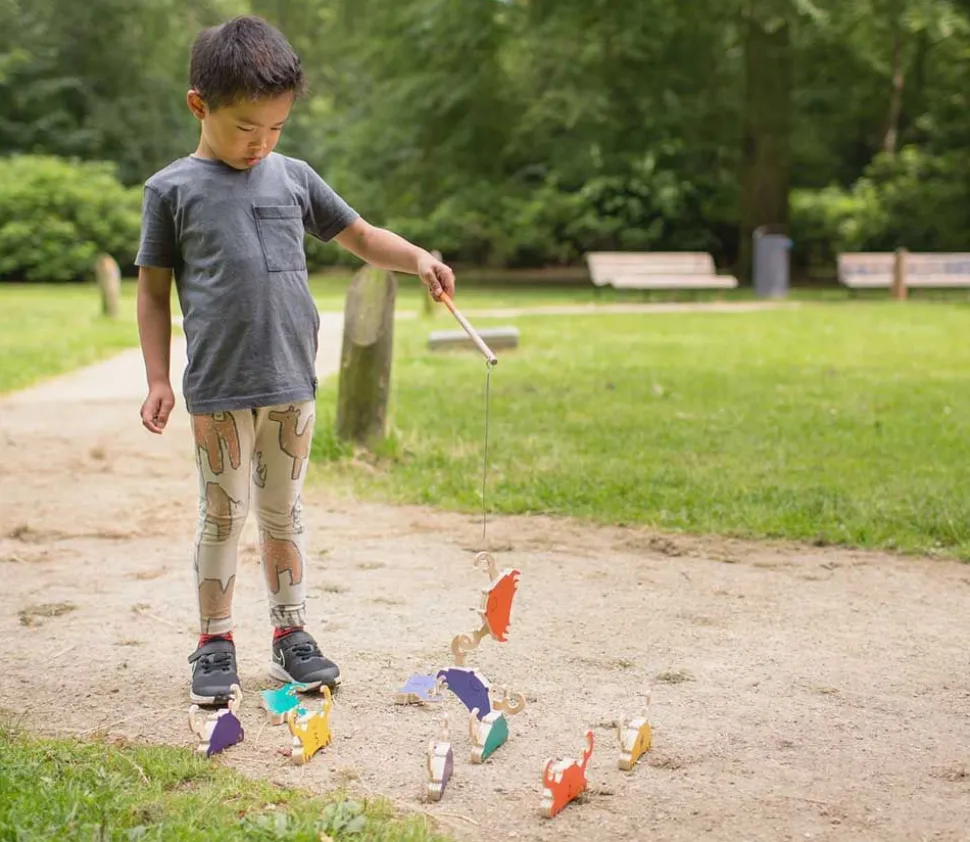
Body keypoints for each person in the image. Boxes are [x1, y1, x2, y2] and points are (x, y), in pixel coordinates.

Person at [135, 14, 456, 705]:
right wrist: (158, 377)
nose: (261, 143)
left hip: (291, 385)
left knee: (284, 514)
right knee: (224, 512)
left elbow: (365, 237)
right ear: (200, 105)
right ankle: (214, 641)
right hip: (219, 389)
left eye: (276, 129)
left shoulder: (295, 178)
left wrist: (419, 259)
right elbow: (154, 292)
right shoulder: (171, 192)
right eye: (246, 128)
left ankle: (291, 636)